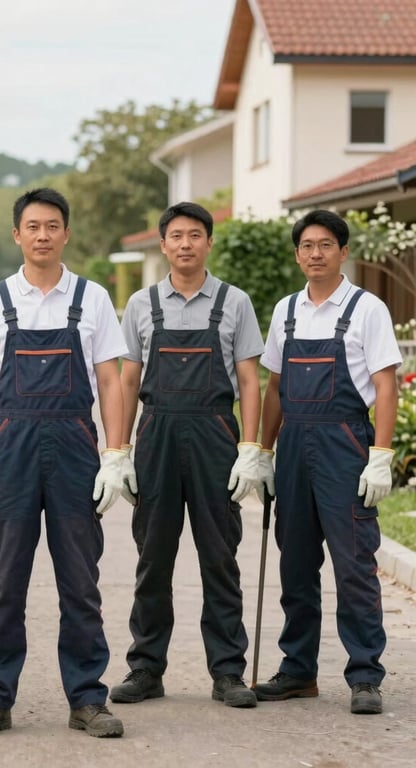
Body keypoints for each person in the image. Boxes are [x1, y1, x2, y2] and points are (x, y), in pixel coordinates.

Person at [0, 187, 127, 738]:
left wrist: (116, 454)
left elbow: (109, 380)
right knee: (4, 579)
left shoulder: (93, 297)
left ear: (66, 233)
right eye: (33, 226)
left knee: (80, 579)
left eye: (53, 225)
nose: (43, 235)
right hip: (10, 449)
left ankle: (87, 699)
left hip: (75, 446)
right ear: (17, 235)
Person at [110, 201, 264, 709]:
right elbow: (128, 380)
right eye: (176, 235)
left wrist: (250, 449)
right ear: (163, 244)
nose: (185, 244)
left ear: (208, 243)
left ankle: (227, 673)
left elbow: (248, 379)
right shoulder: (141, 304)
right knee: (154, 558)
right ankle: (145, 669)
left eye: (194, 235)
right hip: (156, 435)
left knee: (219, 558)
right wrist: (120, 450)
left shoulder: (234, 302)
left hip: (215, 435)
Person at [254, 209, 401, 715]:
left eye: (325, 245)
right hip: (294, 445)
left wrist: (380, 455)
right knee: (295, 563)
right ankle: (298, 671)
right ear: (297, 254)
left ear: (342, 251)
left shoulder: (367, 309)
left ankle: (365, 676)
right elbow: (274, 386)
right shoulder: (286, 310)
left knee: (354, 564)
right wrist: (262, 449)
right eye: (307, 246)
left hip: (345, 445)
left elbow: (385, 385)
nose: (315, 254)